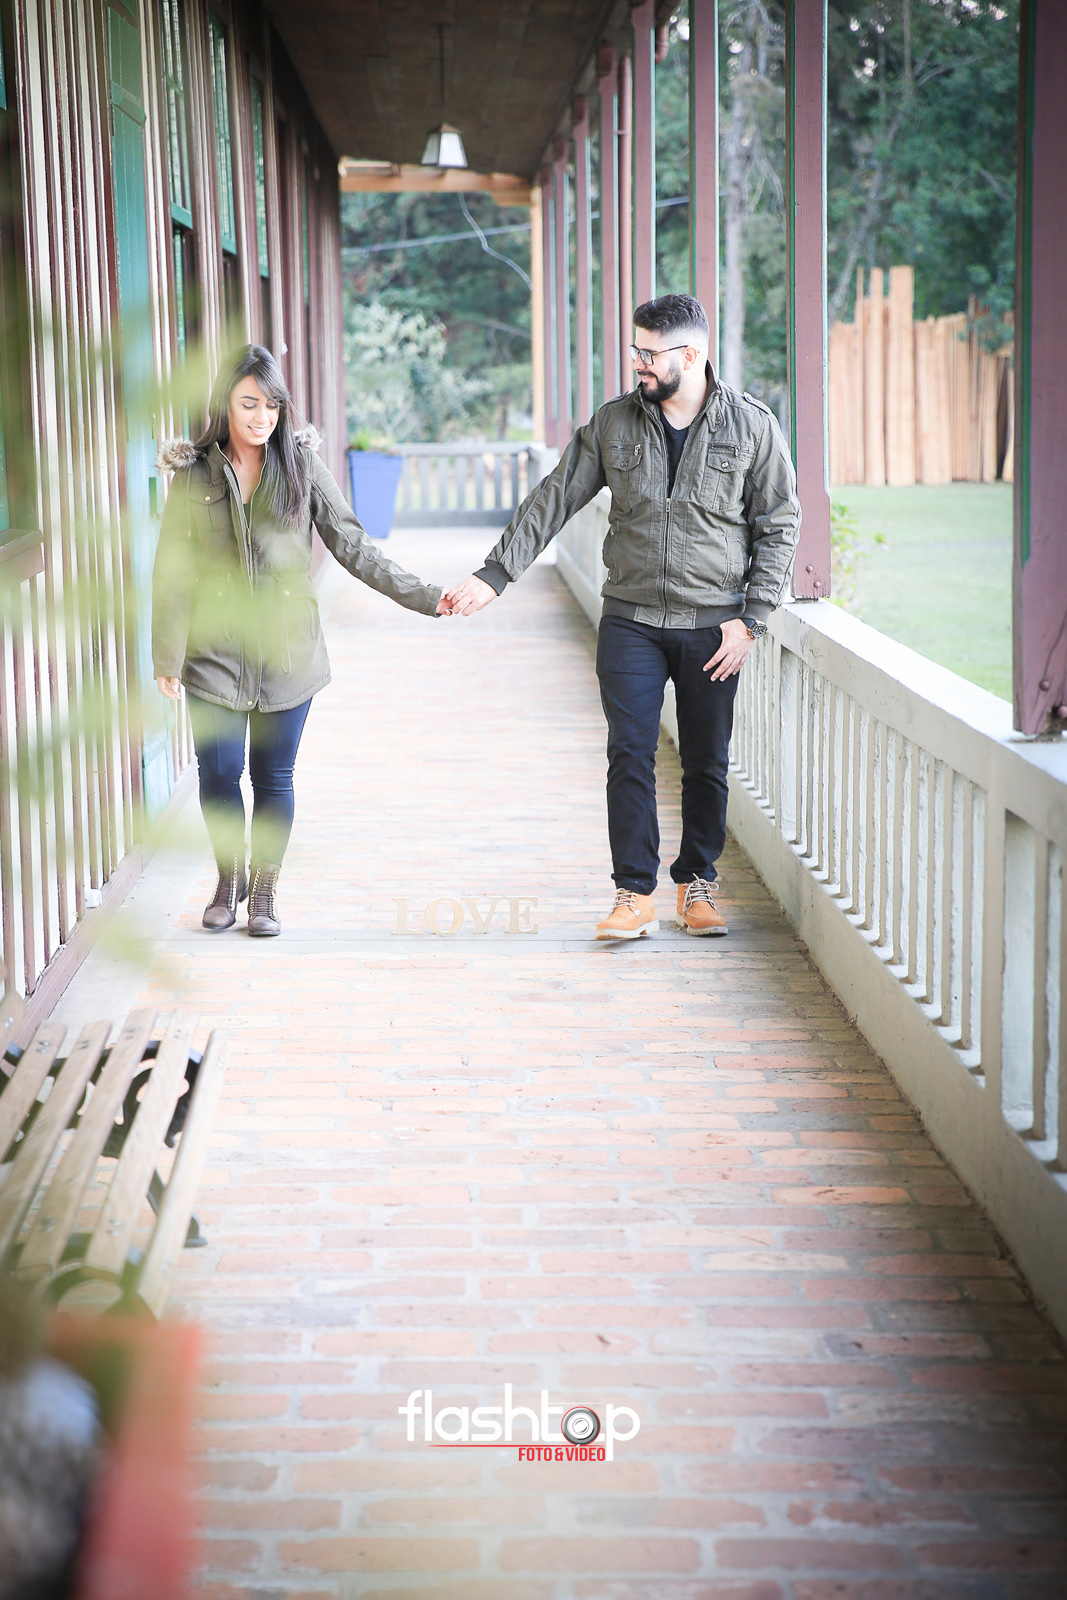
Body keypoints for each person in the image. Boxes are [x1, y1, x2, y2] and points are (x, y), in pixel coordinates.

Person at [443, 294, 800, 941]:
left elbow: (779, 523)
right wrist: (495, 574)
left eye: (648, 353)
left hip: (713, 625)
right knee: (628, 753)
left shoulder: (751, 425)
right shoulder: (612, 424)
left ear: (690, 355)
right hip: (630, 620)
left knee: (705, 761)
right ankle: (632, 894)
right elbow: (553, 498)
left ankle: (697, 885)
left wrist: (751, 619)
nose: (636, 363)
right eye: (634, 350)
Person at [152, 344, 448, 937]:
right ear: (225, 404)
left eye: (271, 405)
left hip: (289, 652)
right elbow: (172, 569)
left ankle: (264, 894)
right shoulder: (194, 475)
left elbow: (353, 545)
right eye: (248, 404)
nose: (261, 417)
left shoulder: (303, 469)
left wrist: (425, 595)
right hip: (213, 652)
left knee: (272, 776)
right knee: (217, 773)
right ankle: (227, 881)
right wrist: (166, 655)